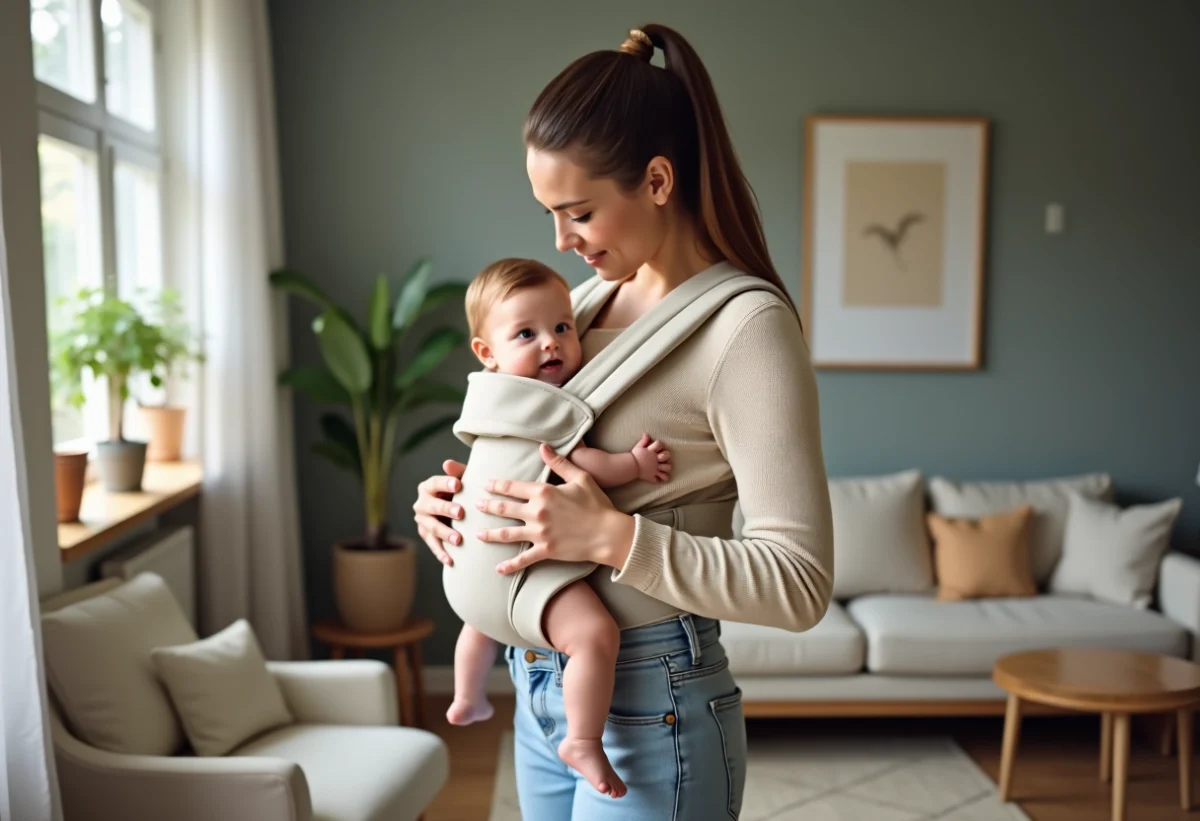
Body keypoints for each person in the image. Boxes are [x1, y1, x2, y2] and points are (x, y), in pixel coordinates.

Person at [413, 23, 834, 820]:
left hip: (652, 695)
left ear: (659, 180)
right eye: (548, 213)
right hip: (540, 679)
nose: (561, 242)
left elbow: (800, 582)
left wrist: (611, 538)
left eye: (578, 213)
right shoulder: (576, 310)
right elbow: (530, 453)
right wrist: (455, 503)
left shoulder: (744, 329)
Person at [446, 257, 674, 799]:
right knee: (595, 635)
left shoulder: (485, 402)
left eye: (562, 328)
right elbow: (582, 462)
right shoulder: (541, 408)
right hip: (523, 566)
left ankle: (467, 695)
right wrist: (634, 468)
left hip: (469, 572)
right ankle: (585, 739)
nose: (551, 343)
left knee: (481, 621)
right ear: (488, 353)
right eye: (527, 333)